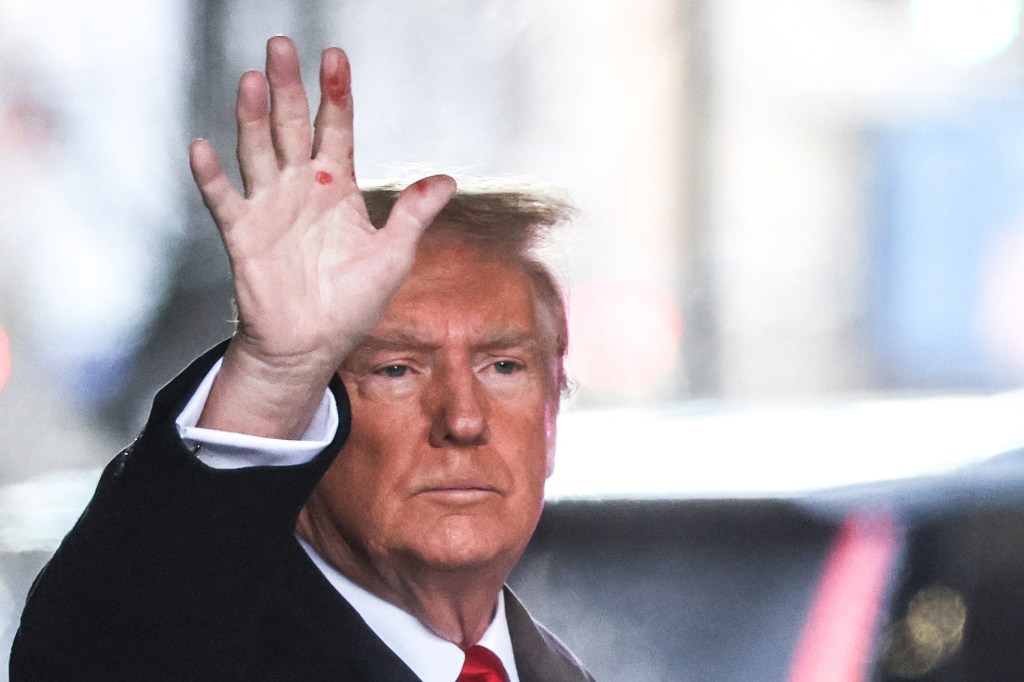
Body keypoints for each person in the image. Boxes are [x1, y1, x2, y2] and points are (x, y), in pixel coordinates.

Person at [10, 36, 594, 681]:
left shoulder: (557, 671)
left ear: (552, 409)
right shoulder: (187, 652)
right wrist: (273, 375)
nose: (462, 419)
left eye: (503, 367)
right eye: (396, 369)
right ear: (310, 418)